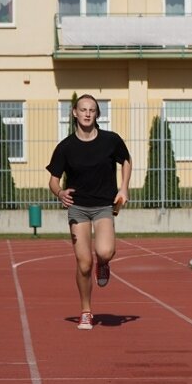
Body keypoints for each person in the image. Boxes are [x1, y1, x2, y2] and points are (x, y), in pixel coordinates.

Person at [46, 94, 131, 331]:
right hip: (78, 208)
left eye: (92, 110)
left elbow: (126, 160)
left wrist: (123, 187)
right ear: (74, 113)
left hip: (104, 205)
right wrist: (60, 193)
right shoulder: (65, 147)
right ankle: (86, 311)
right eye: (82, 109)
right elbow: (53, 181)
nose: (87, 114)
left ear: (97, 114)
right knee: (83, 263)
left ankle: (103, 263)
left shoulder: (110, 141)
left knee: (105, 251)